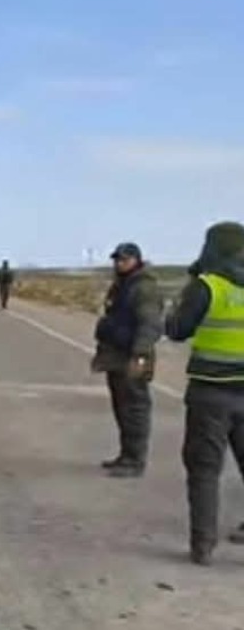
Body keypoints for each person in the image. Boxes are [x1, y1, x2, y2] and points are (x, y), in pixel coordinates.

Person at [164, 221, 244, 565]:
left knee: (205, 469)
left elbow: (179, 330)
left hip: (211, 392)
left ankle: (203, 545)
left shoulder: (206, 286)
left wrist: (173, 311)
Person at [90, 242, 163, 478]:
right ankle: (126, 455)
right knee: (122, 407)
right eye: (117, 259)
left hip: (132, 355)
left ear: (136, 260)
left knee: (134, 409)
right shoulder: (123, 284)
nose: (119, 263)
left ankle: (135, 460)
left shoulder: (144, 288)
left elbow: (150, 323)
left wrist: (140, 355)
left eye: (124, 259)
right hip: (117, 354)